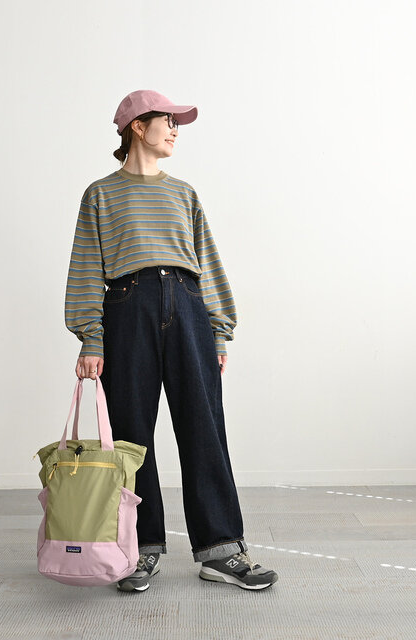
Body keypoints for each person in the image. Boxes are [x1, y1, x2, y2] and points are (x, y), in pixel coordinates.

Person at [64, 89, 279, 592]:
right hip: (127, 307)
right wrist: (90, 338)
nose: (176, 131)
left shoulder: (184, 193)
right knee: (130, 436)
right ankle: (139, 548)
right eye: (169, 121)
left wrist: (219, 328)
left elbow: (207, 262)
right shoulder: (100, 194)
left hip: (187, 305)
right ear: (138, 127)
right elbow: (86, 267)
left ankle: (220, 550)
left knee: (204, 426)